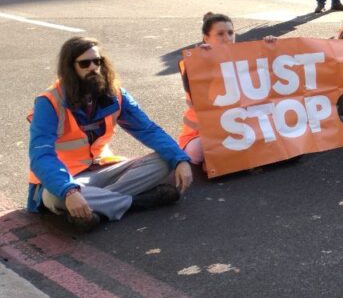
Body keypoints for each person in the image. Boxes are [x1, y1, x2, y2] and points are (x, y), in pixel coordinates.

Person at [27, 37, 193, 231]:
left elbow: (148, 129)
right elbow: (41, 155)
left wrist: (180, 159)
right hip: (67, 177)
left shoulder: (114, 94)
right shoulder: (49, 103)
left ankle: (95, 206)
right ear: (70, 68)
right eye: (84, 63)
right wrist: (69, 190)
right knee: (54, 196)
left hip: (104, 169)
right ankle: (136, 202)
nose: (93, 68)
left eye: (97, 61)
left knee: (165, 160)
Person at [178, 13, 276, 165]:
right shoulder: (193, 60)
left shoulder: (246, 57)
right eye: (220, 34)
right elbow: (193, 91)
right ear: (206, 38)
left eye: (230, 33)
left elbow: (273, 82)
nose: (227, 38)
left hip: (244, 121)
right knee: (196, 153)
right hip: (207, 128)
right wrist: (199, 62)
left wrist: (273, 50)